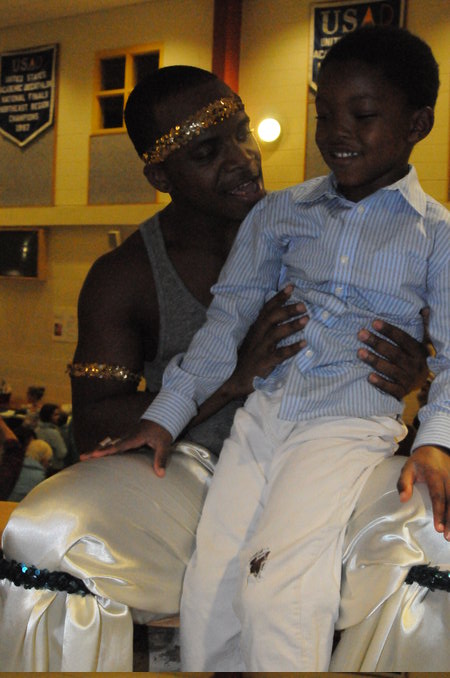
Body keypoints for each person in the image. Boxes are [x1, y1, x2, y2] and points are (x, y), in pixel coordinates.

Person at [0, 64, 429, 672]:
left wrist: (414, 369)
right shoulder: (125, 275)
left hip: (332, 454)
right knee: (46, 528)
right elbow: (95, 424)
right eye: (207, 152)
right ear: (160, 175)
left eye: (242, 132)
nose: (243, 159)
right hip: (195, 470)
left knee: (433, 526)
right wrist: (233, 379)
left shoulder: (324, 218)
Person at [8, 438, 52, 502]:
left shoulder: (15, 466)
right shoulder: (40, 477)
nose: (49, 464)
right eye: (49, 461)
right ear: (43, 459)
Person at [35, 403, 68, 471]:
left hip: (41, 466)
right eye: (55, 415)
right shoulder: (53, 433)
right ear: (48, 416)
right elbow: (62, 453)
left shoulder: (37, 429)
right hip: (55, 467)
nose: (58, 417)